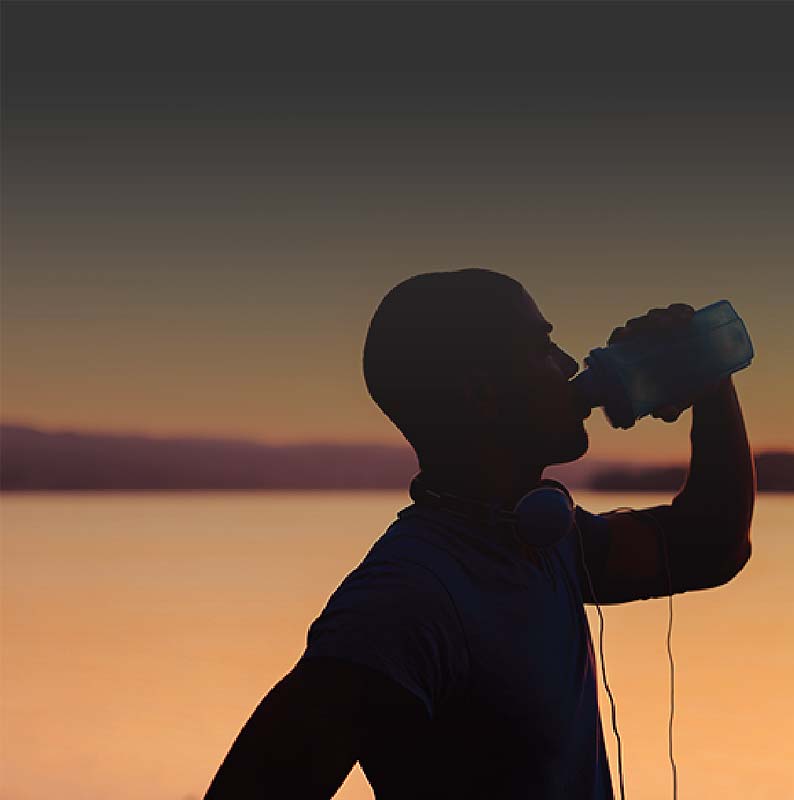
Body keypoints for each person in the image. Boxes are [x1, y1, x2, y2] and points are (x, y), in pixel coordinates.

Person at [204, 268, 754, 799]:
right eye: (542, 349)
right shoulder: (404, 600)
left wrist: (710, 377)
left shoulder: (542, 538)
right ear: (480, 390)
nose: (568, 364)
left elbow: (710, 546)